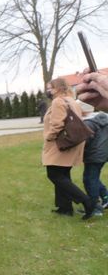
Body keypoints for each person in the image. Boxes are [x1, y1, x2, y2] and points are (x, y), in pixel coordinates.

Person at [42, 77, 96, 219]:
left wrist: (49, 136)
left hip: (60, 144)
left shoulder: (58, 101)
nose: (48, 91)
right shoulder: (71, 101)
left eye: (50, 88)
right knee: (63, 174)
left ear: (58, 88)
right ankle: (65, 208)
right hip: (72, 143)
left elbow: (57, 125)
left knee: (54, 174)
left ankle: (87, 201)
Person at [82, 110, 108, 214]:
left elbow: (85, 140)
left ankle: (94, 208)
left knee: (89, 180)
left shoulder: (88, 122)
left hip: (93, 155)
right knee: (94, 178)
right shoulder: (104, 119)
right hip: (103, 154)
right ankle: (106, 198)